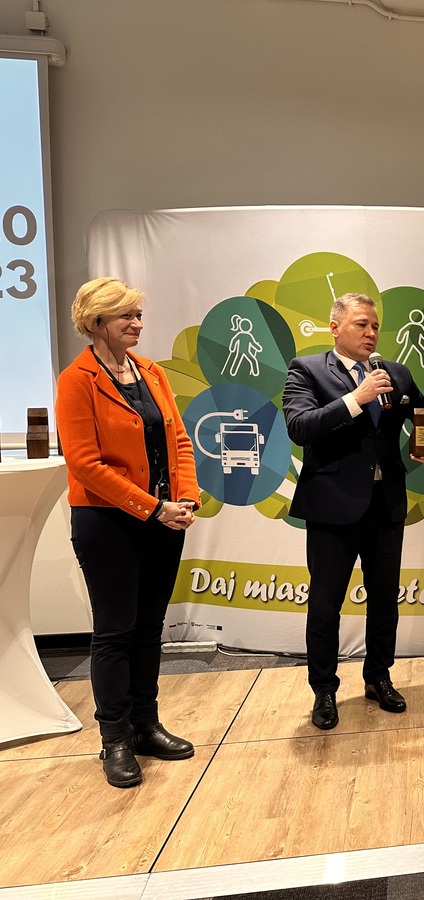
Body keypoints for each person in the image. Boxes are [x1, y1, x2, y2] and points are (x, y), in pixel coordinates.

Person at [56, 277, 200, 788]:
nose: (138, 323)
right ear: (97, 322)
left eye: (139, 314)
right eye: (127, 316)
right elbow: (85, 464)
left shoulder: (152, 372)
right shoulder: (76, 380)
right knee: (115, 631)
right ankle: (114, 739)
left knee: (148, 628)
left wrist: (186, 498)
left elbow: (179, 440)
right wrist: (153, 508)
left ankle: (145, 725)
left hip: (163, 517)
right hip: (108, 522)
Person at [282, 293, 424, 729]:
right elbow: (300, 427)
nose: (371, 333)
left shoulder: (396, 372)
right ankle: (324, 690)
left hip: (385, 506)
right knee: (325, 605)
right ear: (335, 327)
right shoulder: (307, 370)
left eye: (375, 325)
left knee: (384, 601)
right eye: (361, 324)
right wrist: (355, 398)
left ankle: (378, 677)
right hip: (332, 509)